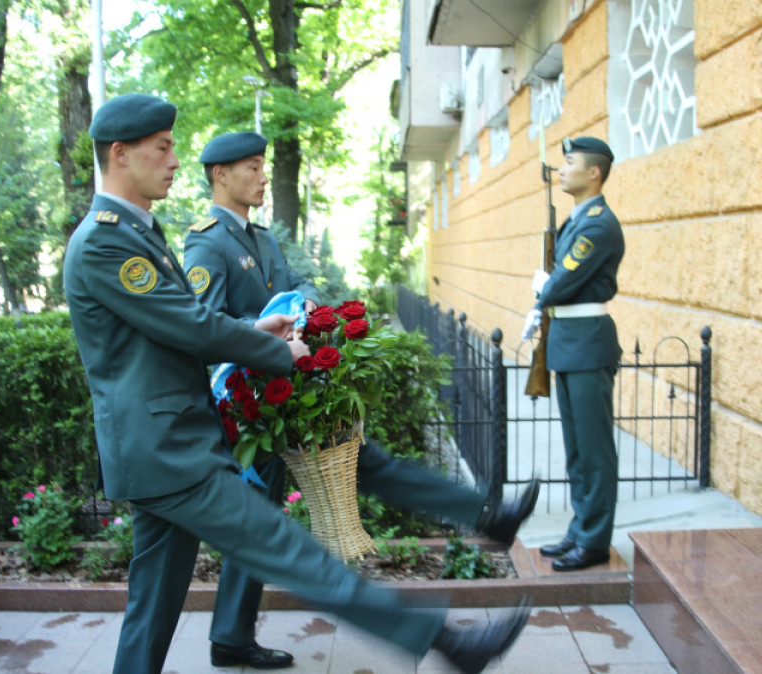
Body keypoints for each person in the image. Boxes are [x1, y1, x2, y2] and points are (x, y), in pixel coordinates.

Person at [63, 93, 530, 674]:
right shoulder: (107, 239)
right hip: (168, 450)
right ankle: (446, 641)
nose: (175, 160)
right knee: (293, 553)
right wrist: (275, 350)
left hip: (161, 447)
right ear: (120, 154)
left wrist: (254, 324)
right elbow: (185, 323)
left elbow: (172, 321)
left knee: (153, 603)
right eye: (162, 149)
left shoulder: (135, 230)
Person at [185, 130, 541, 669]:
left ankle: (486, 515)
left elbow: (295, 283)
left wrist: (307, 302)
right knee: (268, 520)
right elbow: (206, 327)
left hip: (288, 397)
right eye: (253, 167)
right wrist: (262, 332)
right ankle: (234, 635)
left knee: (358, 464)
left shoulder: (260, 239)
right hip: (249, 412)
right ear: (220, 175)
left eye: (264, 166)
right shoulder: (207, 243)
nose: (262, 175)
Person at [522, 137, 624, 572]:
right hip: (568, 340)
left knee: (595, 449)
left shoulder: (598, 224)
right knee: (577, 449)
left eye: (569, 163)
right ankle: (581, 528)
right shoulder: (577, 220)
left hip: (586, 339)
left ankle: (595, 540)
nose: (561, 170)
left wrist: (543, 289)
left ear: (594, 172)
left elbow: (561, 281)